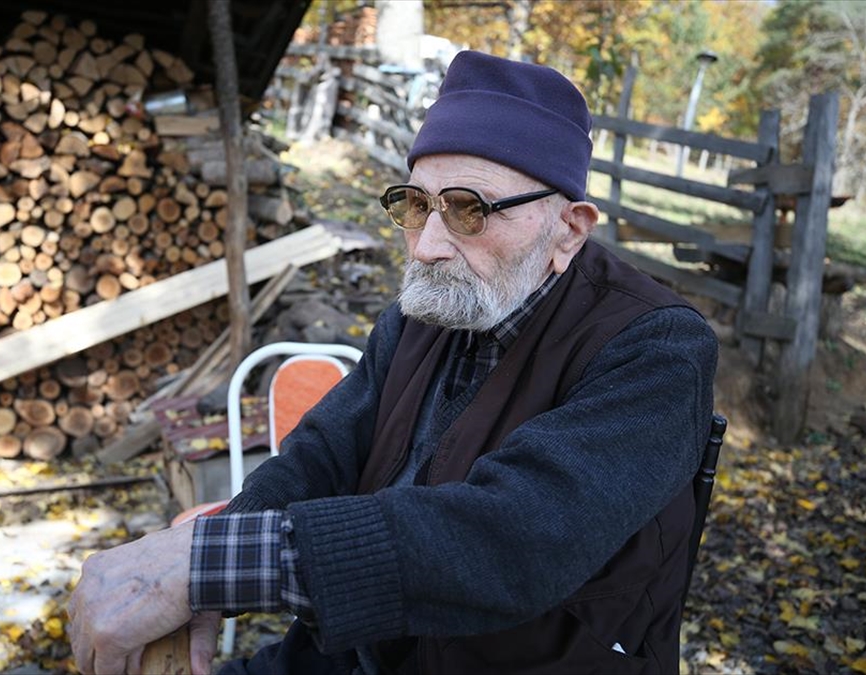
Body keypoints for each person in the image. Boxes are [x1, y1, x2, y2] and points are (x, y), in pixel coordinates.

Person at [68, 50, 718, 675]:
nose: (428, 245)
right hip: (353, 653)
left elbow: (513, 540)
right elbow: (323, 453)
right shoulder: (429, 309)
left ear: (568, 230)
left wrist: (207, 567)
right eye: (417, 204)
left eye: (470, 210)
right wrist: (206, 563)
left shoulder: (655, 347)